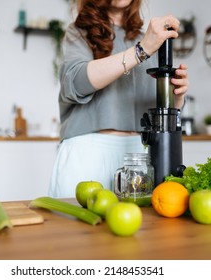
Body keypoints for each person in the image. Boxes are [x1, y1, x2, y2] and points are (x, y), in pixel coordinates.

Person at [49, 0, 189, 198]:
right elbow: (75, 83)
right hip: (88, 156)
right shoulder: (78, 33)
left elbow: (157, 105)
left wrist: (178, 95)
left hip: (141, 157)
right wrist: (141, 51)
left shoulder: (149, 39)